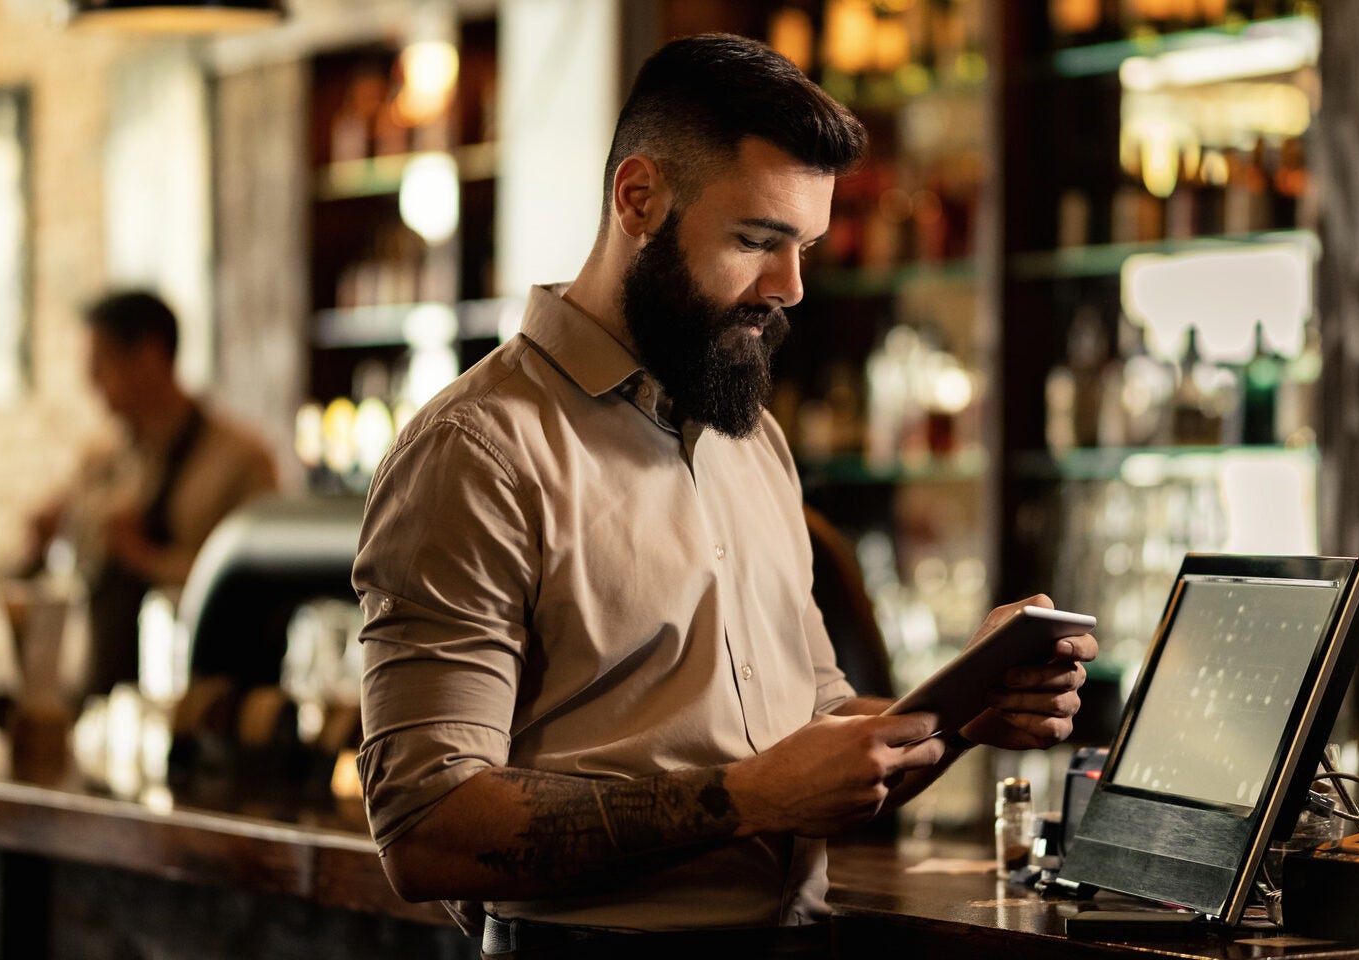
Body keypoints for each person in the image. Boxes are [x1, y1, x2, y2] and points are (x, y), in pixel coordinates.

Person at [352, 35, 1095, 958]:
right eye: (757, 241)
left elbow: (815, 739)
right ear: (639, 198)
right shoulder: (476, 450)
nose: (789, 288)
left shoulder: (753, 439)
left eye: (807, 248)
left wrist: (959, 711)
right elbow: (423, 827)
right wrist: (749, 799)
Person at [24, 291, 278, 698]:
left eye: (100, 368)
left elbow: (259, 586)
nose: (92, 386)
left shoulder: (242, 459)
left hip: (203, 693)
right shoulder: (101, 458)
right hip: (103, 687)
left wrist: (149, 559)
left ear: (149, 356)